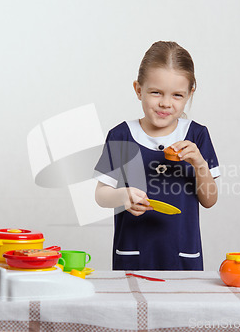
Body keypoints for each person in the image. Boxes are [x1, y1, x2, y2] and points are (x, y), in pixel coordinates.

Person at [94, 41, 220, 270]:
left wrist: (200, 164)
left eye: (177, 95)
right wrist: (122, 196)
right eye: (156, 92)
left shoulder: (196, 135)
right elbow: (101, 195)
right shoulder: (121, 135)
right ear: (138, 89)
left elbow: (209, 200)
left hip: (183, 257)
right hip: (133, 256)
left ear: (190, 94)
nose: (165, 103)